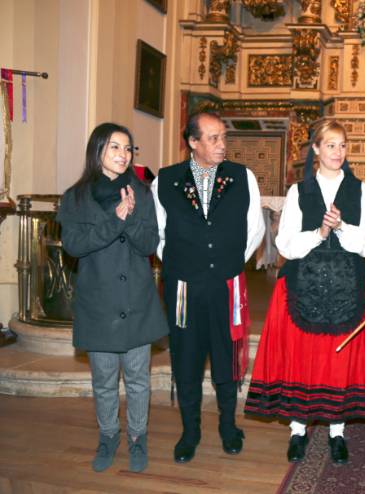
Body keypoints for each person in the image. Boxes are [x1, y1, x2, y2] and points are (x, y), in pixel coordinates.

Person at [245, 120, 365, 465]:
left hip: (347, 286)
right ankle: (298, 430)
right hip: (302, 286)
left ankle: (337, 433)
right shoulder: (299, 191)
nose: (338, 152)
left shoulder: (361, 190)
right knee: (301, 358)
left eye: (343, 145)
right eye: (331, 145)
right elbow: (285, 244)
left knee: (339, 361)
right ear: (317, 149)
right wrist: (320, 234)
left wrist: (342, 227)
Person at [151, 112, 265, 463]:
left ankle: (228, 427)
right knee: (186, 357)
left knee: (227, 358)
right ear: (193, 142)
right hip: (183, 287)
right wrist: (182, 264)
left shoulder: (242, 177)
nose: (222, 144)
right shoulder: (165, 180)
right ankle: (190, 432)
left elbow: (255, 229)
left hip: (226, 285)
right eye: (213, 138)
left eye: (223, 137)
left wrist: (228, 263)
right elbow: (158, 234)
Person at [57, 123, 168, 473]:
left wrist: (129, 219)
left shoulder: (142, 193)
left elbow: (149, 244)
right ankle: (108, 437)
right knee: (104, 381)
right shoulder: (76, 197)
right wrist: (114, 219)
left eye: (128, 148)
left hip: (136, 301)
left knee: (137, 379)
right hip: (99, 303)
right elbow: (74, 246)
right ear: (98, 151)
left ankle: (137, 437)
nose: (123, 154)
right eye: (115, 147)